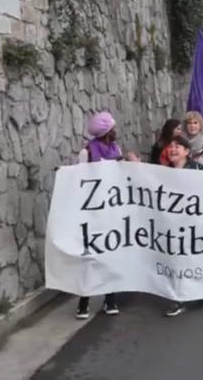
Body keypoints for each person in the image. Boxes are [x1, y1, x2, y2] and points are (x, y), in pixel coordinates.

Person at [75, 112, 139, 319]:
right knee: (90, 257)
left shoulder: (116, 150)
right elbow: (80, 180)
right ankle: (83, 301)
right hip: (93, 212)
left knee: (111, 254)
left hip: (113, 211)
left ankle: (109, 299)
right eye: (112, 127)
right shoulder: (87, 153)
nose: (116, 131)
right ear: (105, 131)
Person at [163, 136, 203, 317]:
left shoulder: (198, 169)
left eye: (178, 146)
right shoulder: (161, 172)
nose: (173, 149)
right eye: (171, 146)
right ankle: (178, 299)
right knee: (176, 260)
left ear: (186, 152)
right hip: (172, 225)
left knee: (194, 259)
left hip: (195, 224)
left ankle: (202, 291)